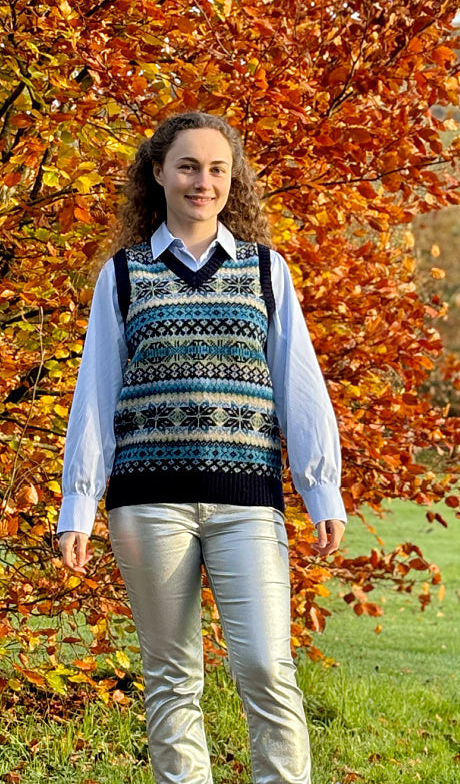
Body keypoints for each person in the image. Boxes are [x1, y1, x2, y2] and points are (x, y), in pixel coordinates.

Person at [56, 111, 346, 784]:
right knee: (171, 678)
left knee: (267, 667)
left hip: (247, 501)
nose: (203, 181)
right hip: (147, 507)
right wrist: (77, 505)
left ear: (232, 179)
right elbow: (94, 397)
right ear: (157, 173)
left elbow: (298, 385)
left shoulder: (266, 272)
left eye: (218, 168)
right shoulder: (123, 276)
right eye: (188, 166)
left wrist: (319, 486)